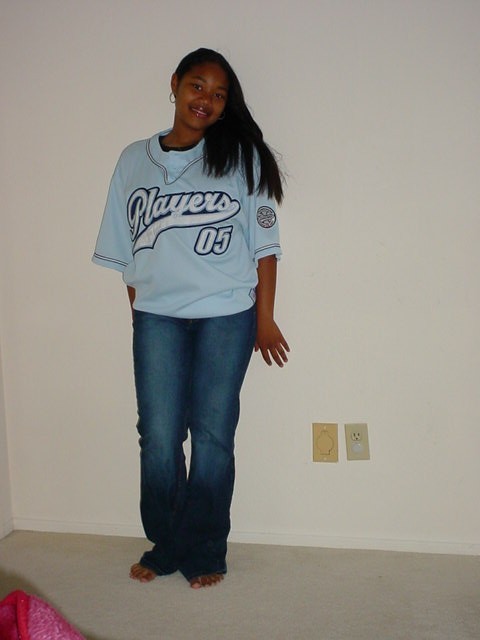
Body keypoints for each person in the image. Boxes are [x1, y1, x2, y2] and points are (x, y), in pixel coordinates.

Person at [92, 47, 289, 589]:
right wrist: (143, 313)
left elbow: (264, 246)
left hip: (227, 315)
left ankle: (203, 550)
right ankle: (166, 540)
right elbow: (126, 254)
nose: (206, 100)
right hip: (157, 318)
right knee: (157, 436)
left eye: (219, 94)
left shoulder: (241, 158)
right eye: (197, 86)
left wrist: (265, 319)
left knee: (212, 436)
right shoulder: (133, 160)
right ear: (176, 83)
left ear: (226, 106)